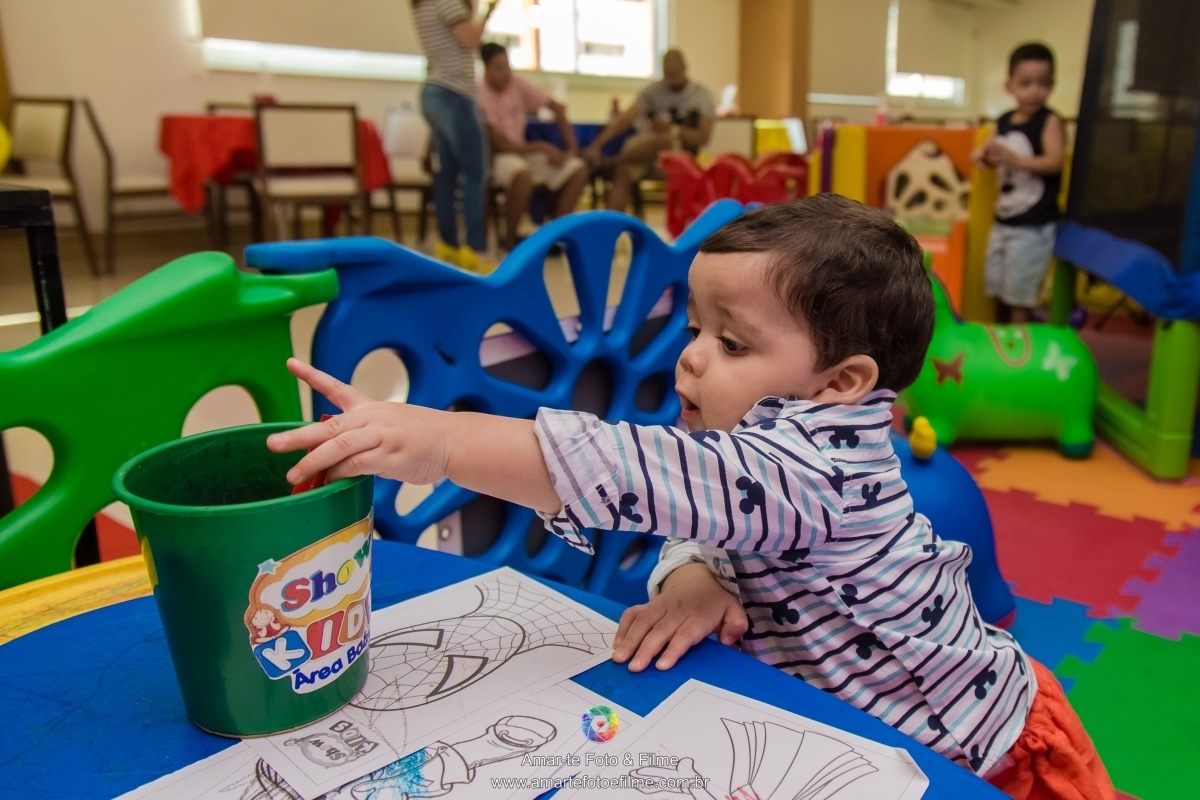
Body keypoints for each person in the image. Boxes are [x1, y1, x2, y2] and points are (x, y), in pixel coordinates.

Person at [267, 196, 1114, 799]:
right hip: (847, 727)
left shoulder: (810, 466)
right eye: (696, 330)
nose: (693, 359)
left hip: (983, 751)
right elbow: (702, 514)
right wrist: (696, 576)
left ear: (841, 382)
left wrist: (443, 441)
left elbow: (638, 472)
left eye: (733, 342)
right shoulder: (767, 459)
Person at [973, 42, 1065, 324]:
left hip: (1034, 223)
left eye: (1043, 83)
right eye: (1026, 83)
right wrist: (984, 156)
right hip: (1005, 218)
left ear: (1052, 85)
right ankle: (1006, 338)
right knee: (998, 282)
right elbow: (981, 153)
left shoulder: (1049, 121)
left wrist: (1014, 160)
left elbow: (1054, 161)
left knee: (1019, 290)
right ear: (1009, 86)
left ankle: (1019, 347)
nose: (1035, 91)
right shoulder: (1003, 121)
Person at [478, 42, 589, 251]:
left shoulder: (517, 83)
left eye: (507, 66)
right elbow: (499, 144)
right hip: (498, 156)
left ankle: (554, 235)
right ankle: (510, 240)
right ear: (486, 70)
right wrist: (540, 147)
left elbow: (556, 107)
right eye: (498, 67)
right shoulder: (480, 94)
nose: (505, 73)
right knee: (522, 175)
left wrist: (570, 150)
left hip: (523, 151)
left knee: (578, 169)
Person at [413, 0, 496, 274]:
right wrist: (487, 11)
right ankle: (475, 249)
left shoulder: (423, 4)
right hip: (453, 94)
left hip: (434, 92)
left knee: (446, 174)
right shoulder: (446, 2)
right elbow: (472, 40)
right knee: (475, 172)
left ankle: (448, 243)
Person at [582, 49, 714, 212]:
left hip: (679, 156)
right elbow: (625, 119)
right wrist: (597, 145)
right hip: (642, 154)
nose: (670, 79)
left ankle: (613, 161)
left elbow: (703, 137)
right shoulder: (652, 91)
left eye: (674, 74)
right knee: (623, 172)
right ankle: (611, 224)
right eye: (667, 74)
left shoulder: (701, 96)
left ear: (685, 68)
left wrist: (673, 129)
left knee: (663, 141)